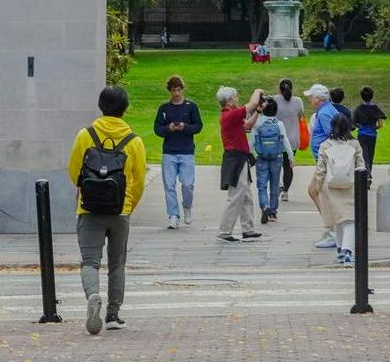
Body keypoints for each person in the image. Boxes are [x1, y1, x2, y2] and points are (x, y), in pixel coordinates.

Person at [67, 86, 147, 335]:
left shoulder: (85, 135)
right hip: (120, 210)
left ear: (101, 106)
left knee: (90, 262)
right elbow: (139, 179)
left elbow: (73, 170)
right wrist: (129, 205)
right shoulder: (134, 141)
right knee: (117, 264)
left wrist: (83, 190)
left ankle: (93, 296)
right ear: (125, 108)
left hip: (89, 208)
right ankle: (113, 314)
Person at [311, 114, 365, 265]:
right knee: (350, 220)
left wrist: (318, 186)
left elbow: (320, 169)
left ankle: (341, 251)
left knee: (338, 220)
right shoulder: (354, 144)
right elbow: (361, 165)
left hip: (330, 186)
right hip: (350, 185)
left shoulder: (325, 145)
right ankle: (348, 251)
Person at [153, 75, 203, 230]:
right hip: (169, 151)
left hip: (186, 150)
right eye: (174, 90)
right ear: (170, 91)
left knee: (187, 184)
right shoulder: (164, 109)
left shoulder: (191, 107)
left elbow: (198, 126)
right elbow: (157, 129)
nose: (177, 93)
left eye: (179, 90)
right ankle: (173, 215)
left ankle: (187, 206)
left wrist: (185, 127)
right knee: (169, 185)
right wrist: (169, 128)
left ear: (182, 89)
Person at [215, 86, 263, 243]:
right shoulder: (230, 114)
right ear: (229, 101)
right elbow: (252, 102)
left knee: (246, 194)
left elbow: (247, 126)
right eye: (235, 97)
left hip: (241, 158)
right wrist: (257, 90)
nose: (237, 99)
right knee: (236, 195)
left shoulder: (232, 116)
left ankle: (248, 230)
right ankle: (224, 231)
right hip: (235, 158)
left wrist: (259, 111)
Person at [303, 83, 337, 247]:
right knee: (315, 191)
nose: (310, 99)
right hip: (325, 161)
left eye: (311, 97)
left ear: (316, 98)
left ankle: (333, 230)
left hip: (325, 162)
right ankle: (331, 228)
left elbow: (332, 137)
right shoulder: (328, 110)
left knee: (320, 194)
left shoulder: (323, 114)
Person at [250, 96, 293, 223]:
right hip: (277, 158)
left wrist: (249, 155)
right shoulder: (279, 124)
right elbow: (285, 140)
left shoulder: (257, 123)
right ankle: (273, 212)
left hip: (262, 157)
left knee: (262, 185)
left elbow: (252, 142)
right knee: (274, 185)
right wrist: (290, 156)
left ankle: (265, 206)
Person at [273, 78, 304, 201]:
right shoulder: (298, 101)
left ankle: (277, 186)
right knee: (288, 166)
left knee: (275, 165)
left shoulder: (274, 100)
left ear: (279, 88)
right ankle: (285, 191)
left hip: (277, 138)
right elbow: (300, 115)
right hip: (292, 139)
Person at [353, 86, 386, 173]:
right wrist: (374, 128)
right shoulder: (375, 108)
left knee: (364, 156)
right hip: (372, 135)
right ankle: (369, 172)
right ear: (372, 96)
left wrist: (360, 127)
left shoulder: (358, 109)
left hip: (362, 135)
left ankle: (366, 175)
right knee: (371, 156)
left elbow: (354, 123)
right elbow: (380, 124)